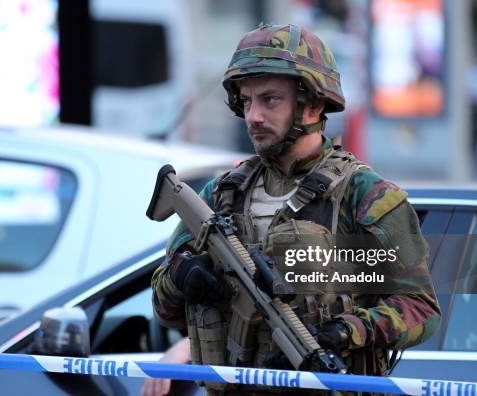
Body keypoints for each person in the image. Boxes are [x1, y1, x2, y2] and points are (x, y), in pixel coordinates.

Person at [151, 23, 440, 394]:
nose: (253, 115)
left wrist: (343, 332)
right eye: (247, 101)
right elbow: (163, 306)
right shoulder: (222, 194)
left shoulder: (362, 197)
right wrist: (184, 276)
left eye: (270, 100)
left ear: (314, 104)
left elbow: (419, 309)